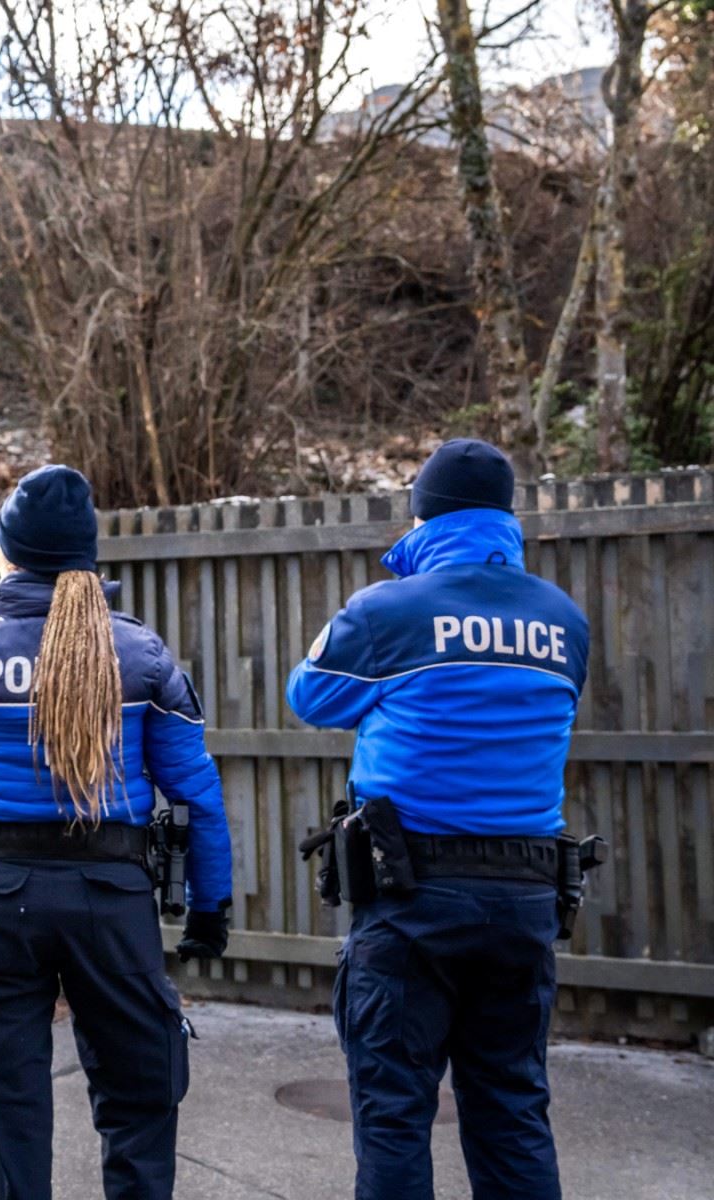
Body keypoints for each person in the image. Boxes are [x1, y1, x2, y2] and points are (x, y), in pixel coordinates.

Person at [0, 464, 234, 1200]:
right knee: (139, 1093)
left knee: (10, 1104)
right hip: (112, 899)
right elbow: (197, 791)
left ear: (7, 553)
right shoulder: (140, 654)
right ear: (87, 559)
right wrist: (210, 903)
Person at [286, 439, 591, 1200]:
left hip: (412, 896)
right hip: (526, 898)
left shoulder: (391, 611)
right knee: (514, 1112)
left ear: (423, 516)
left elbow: (310, 696)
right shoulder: (564, 620)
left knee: (394, 1116)